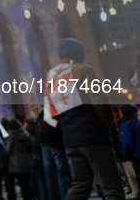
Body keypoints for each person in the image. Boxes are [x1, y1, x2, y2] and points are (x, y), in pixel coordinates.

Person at [51, 38, 124, 200]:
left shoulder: (53, 76)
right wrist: (106, 122)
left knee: (79, 186)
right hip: (93, 136)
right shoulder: (83, 69)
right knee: (111, 185)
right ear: (78, 52)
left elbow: (53, 112)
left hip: (71, 141)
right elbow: (100, 99)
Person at [32, 105, 69, 200]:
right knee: (61, 173)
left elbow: (31, 104)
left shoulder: (42, 113)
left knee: (49, 176)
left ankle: (52, 197)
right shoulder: (57, 111)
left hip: (45, 147)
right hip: (56, 146)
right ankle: (64, 196)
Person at [3, 119, 33, 200]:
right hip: (27, 161)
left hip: (16, 163)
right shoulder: (26, 135)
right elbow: (30, 148)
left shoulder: (11, 137)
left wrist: (4, 146)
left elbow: (7, 151)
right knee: (27, 184)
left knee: (21, 184)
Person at [119, 104, 140, 196]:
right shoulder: (138, 120)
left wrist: (126, 154)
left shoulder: (126, 123)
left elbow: (127, 140)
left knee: (136, 175)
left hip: (135, 154)